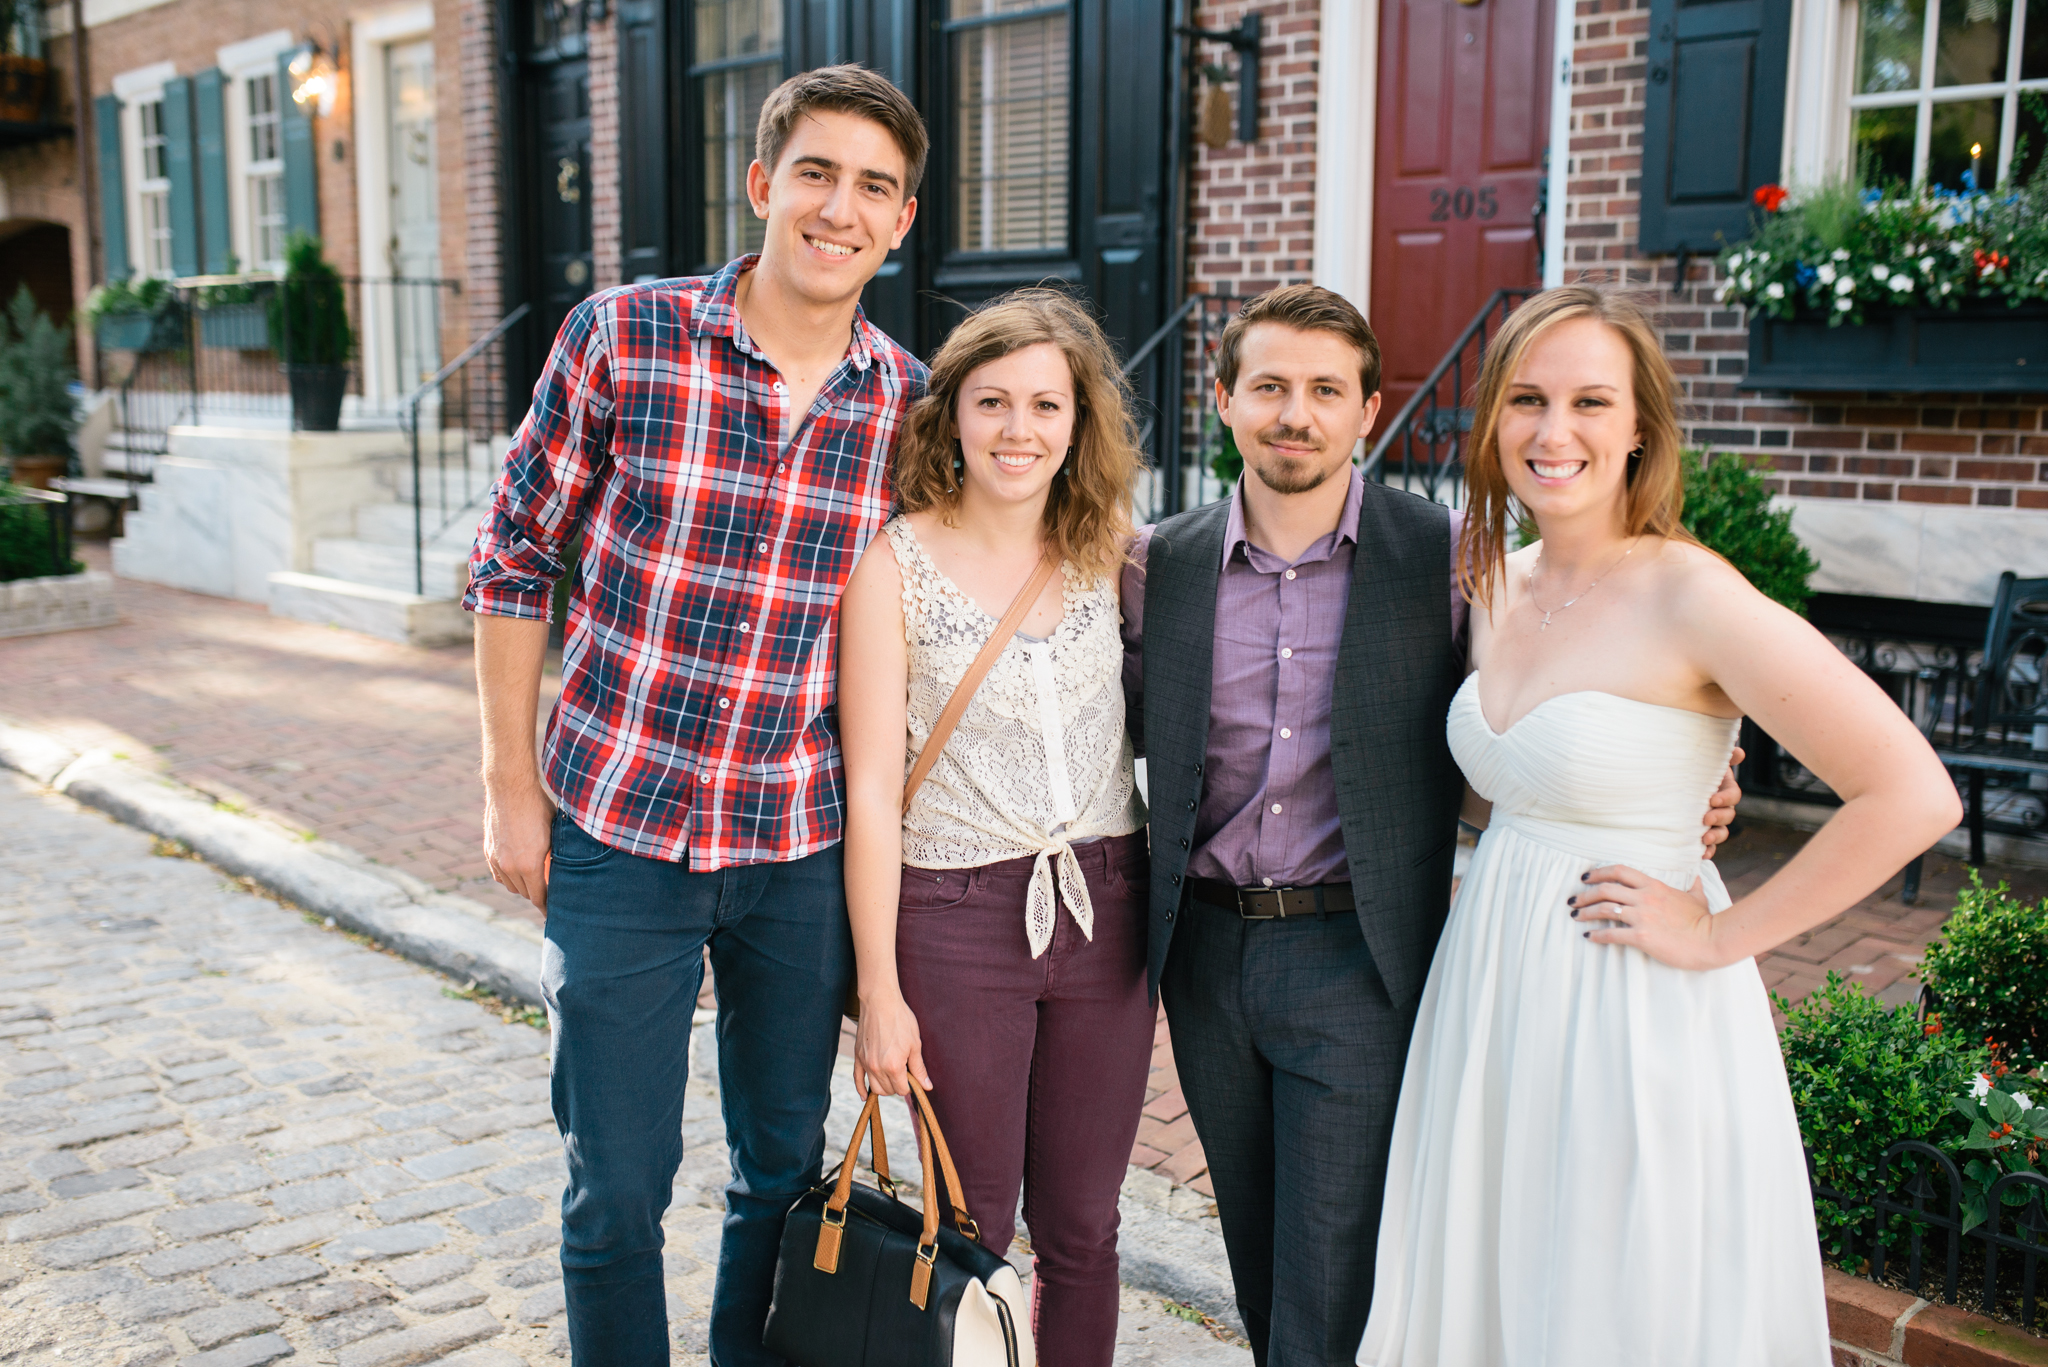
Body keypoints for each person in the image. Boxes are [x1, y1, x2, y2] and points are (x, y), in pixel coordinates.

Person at [1121, 283, 1741, 1365]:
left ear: (1367, 411)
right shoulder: (1152, 565)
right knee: (1258, 1248)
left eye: (1324, 390)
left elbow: (1542, 705)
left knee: (1334, 1254)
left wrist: (1688, 777)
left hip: (1357, 952)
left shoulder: (1454, 562)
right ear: (1221, 401)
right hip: (1205, 952)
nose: (1293, 414)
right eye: (1267, 387)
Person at [1356, 286, 1962, 1365]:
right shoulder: (1495, 576)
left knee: (1604, 1298)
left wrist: (1713, 933)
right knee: (1495, 1281)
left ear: (1640, 427)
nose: (1554, 432)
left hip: (1624, 998)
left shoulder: (1692, 593)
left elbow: (1911, 793)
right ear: (1491, 419)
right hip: (1490, 984)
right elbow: (1511, 785)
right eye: (1528, 400)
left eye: (1591, 401)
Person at [463, 66, 926, 1367]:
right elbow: (512, 561)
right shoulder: (623, 335)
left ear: (901, 225)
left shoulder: (911, 402)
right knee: (616, 1178)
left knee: (778, 1169)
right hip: (620, 827)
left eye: (875, 188)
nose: (841, 207)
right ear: (761, 182)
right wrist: (510, 788)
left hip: (794, 847)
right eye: (818, 172)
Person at [839, 289, 1151, 1367]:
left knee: (1084, 1229)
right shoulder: (894, 566)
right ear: (950, 416)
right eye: (991, 402)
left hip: (1106, 908)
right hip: (954, 915)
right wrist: (878, 993)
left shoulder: (1111, 553)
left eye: (1044, 406)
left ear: (1077, 425)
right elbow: (871, 791)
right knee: (971, 1231)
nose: (1018, 430)